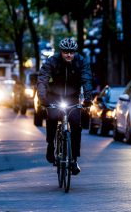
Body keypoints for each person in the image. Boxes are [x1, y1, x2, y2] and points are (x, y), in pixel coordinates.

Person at [37, 38, 93, 175]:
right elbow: (42, 78)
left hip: (73, 97)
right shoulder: (52, 61)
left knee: (76, 124)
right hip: (54, 96)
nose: (69, 55)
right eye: (65, 52)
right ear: (61, 52)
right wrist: (42, 98)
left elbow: (86, 79)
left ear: (75, 52)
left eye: (71, 52)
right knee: (52, 118)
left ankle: (74, 160)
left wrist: (87, 98)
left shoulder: (81, 61)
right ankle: (51, 145)